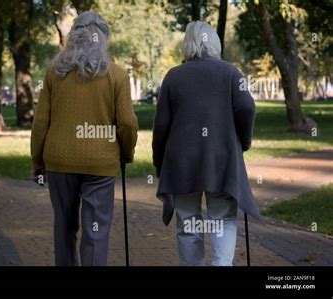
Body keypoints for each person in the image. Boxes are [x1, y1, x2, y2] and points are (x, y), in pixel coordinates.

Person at [31, 11, 138, 266]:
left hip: (58, 162)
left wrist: (37, 160)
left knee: (64, 228)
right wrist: (126, 152)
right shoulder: (117, 75)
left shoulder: (54, 72)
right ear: (103, 39)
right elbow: (128, 123)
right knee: (96, 232)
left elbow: (41, 122)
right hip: (99, 165)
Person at [152, 21, 260, 266]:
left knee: (188, 222)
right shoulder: (230, 72)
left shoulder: (173, 76)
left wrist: (159, 162)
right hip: (220, 158)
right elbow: (246, 107)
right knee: (222, 219)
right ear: (215, 43)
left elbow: (161, 126)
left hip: (182, 162)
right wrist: (242, 141)